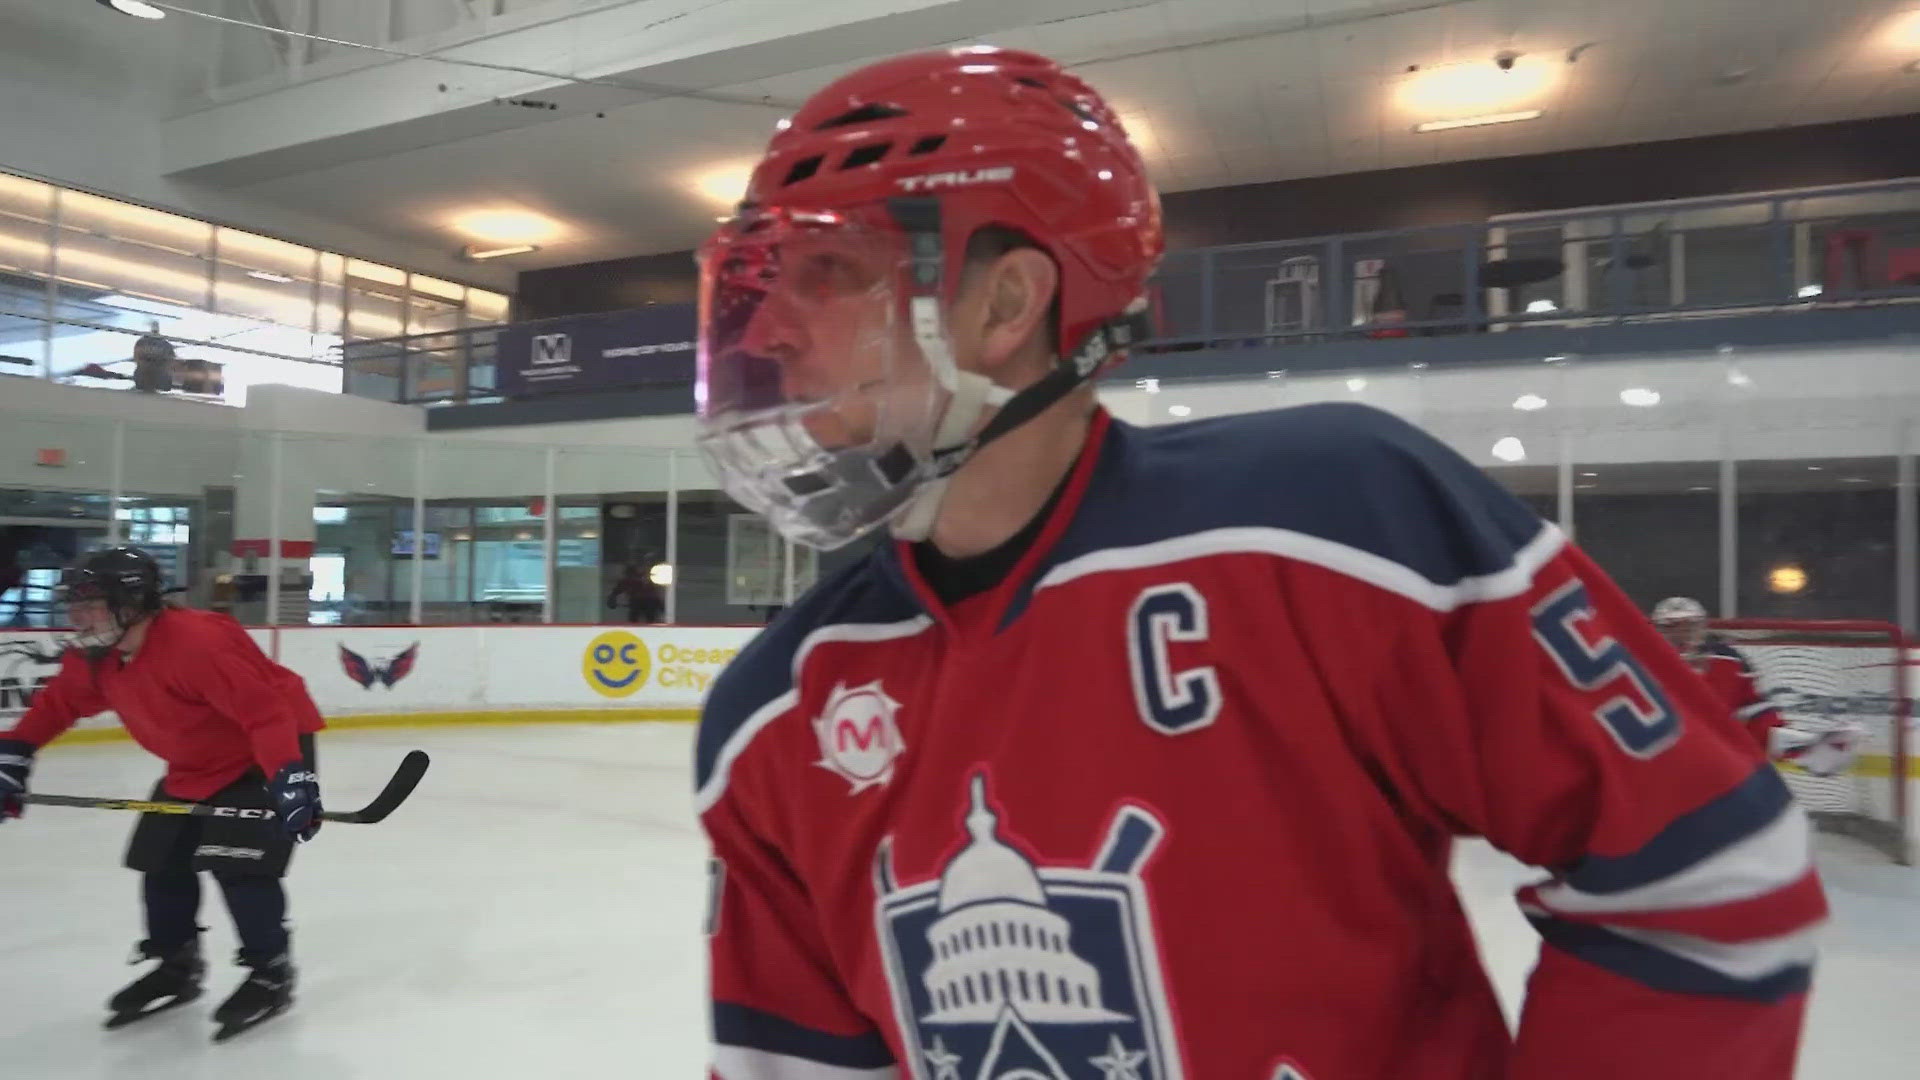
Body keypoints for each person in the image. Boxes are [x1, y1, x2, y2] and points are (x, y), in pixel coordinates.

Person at [687, 48, 1827, 1079]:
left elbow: (1704, 874)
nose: (766, 331)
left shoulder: (1341, 523)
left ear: (1007, 302)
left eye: (826, 272)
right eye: (764, 281)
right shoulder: (768, 717)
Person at [0, 547, 325, 1041]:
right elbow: (59, 705)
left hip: (263, 752)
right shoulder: (97, 655)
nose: (78, 618)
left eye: (90, 605)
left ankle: (271, 972)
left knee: (239, 864)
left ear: (131, 604)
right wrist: (16, 751)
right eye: (75, 606)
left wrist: (289, 778)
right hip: (195, 761)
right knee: (162, 860)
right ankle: (178, 965)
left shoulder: (199, 642)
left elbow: (265, 713)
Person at [1652, 596, 1861, 775]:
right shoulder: (1642, 661)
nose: (1682, 634)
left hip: (1714, 759)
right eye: (1673, 627)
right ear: (1659, 630)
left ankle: (1810, 751)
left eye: (1689, 627)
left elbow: (1752, 706)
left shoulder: (1727, 658)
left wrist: (1792, 740)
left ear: (1702, 628)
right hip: (1661, 758)